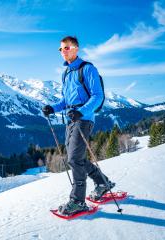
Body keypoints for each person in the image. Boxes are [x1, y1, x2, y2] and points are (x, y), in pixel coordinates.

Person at [42, 36, 115, 216]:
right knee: (78, 159)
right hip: (71, 120)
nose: (63, 51)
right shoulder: (66, 73)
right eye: (61, 49)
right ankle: (102, 183)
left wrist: (81, 112)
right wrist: (53, 107)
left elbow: (97, 96)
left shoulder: (88, 69)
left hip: (84, 119)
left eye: (66, 48)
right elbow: (66, 100)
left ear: (75, 49)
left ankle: (78, 201)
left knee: (74, 159)